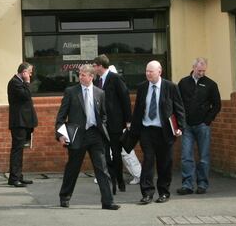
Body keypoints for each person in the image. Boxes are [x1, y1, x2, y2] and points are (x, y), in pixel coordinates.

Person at [55, 64, 120, 210]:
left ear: (91, 77)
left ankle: (108, 201)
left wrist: (102, 127)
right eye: (80, 74)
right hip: (77, 135)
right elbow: (61, 116)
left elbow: (103, 115)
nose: (80, 77)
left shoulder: (100, 93)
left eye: (83, 75)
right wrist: (60, 134)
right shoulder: (71, 92)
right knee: (73, 168)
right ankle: (65, 196)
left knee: (102, 168)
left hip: (95, 134)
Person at [129, 60, 186, 205]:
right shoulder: (142, 87)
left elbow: (179, 108)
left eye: (151, 71)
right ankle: (147, 193)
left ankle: (164, 192)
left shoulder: (170, 87)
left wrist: (180, 127)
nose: (148, 74)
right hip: (147, 130)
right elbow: (138, 110)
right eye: (147, 71)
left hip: (164, 131)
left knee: (164, 163)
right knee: (148, 161)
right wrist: (133, 129)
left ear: (159, 72)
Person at [177, 57, 221, 195]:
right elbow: (177, 102)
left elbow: (217, 105)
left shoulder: (210, 84)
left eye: (203, 71)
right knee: (186, 156)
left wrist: (207, 120)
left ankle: (202, 184)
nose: (201, 73)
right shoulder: (183, 83)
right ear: (193, 67)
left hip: (203, 125)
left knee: (204, 157)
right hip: (187, 126)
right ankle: (187, 185)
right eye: (199, 70)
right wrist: (180, 121)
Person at [92, 55, 131, 194]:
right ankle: (111, 180)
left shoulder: (115, 78)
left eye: (94, 65)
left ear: (100, 66)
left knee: (116, 153)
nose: (93, 68)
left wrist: (128, 120)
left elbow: (125, 98)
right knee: (104, 155)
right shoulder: (97, 81)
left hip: (115, 123)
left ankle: (119, 180)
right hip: (101, 125)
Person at [7, 62, 38, 187]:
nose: (31, 75)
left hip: (24, 121)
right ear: (24, 72)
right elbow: (26, 95)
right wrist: (27, 82)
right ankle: (14, 178)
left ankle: (18, 176)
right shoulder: (15, 83)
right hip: (19, 122)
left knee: (20, 149)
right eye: (29, 72)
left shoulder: (19, 83)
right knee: (17, 149)